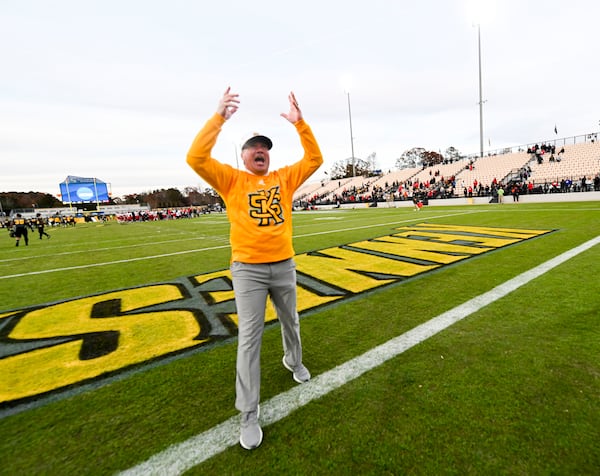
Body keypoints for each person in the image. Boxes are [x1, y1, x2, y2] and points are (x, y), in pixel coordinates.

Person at [186, 87, 323, 450]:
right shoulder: (231, 179)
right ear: (244, 154)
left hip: (284, 265)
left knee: (291, 319)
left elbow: (314, 159)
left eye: (265, 147)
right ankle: (248, 413)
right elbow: (196, 158)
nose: (260, 150)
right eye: (254, 147)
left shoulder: (284, 178)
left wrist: (300, 124)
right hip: (247, 270)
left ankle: (294, 361)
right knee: (249, 339)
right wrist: (219, 117)